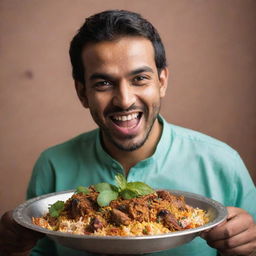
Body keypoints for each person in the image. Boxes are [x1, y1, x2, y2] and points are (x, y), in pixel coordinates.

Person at [0, 9, 255, 256]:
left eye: (139, 78)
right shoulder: (52, 165)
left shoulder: (222, 162)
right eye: (104, 83)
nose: (124, 100)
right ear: (82, 93)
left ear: (162, 82)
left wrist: (249, 248)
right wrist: (13, 248)